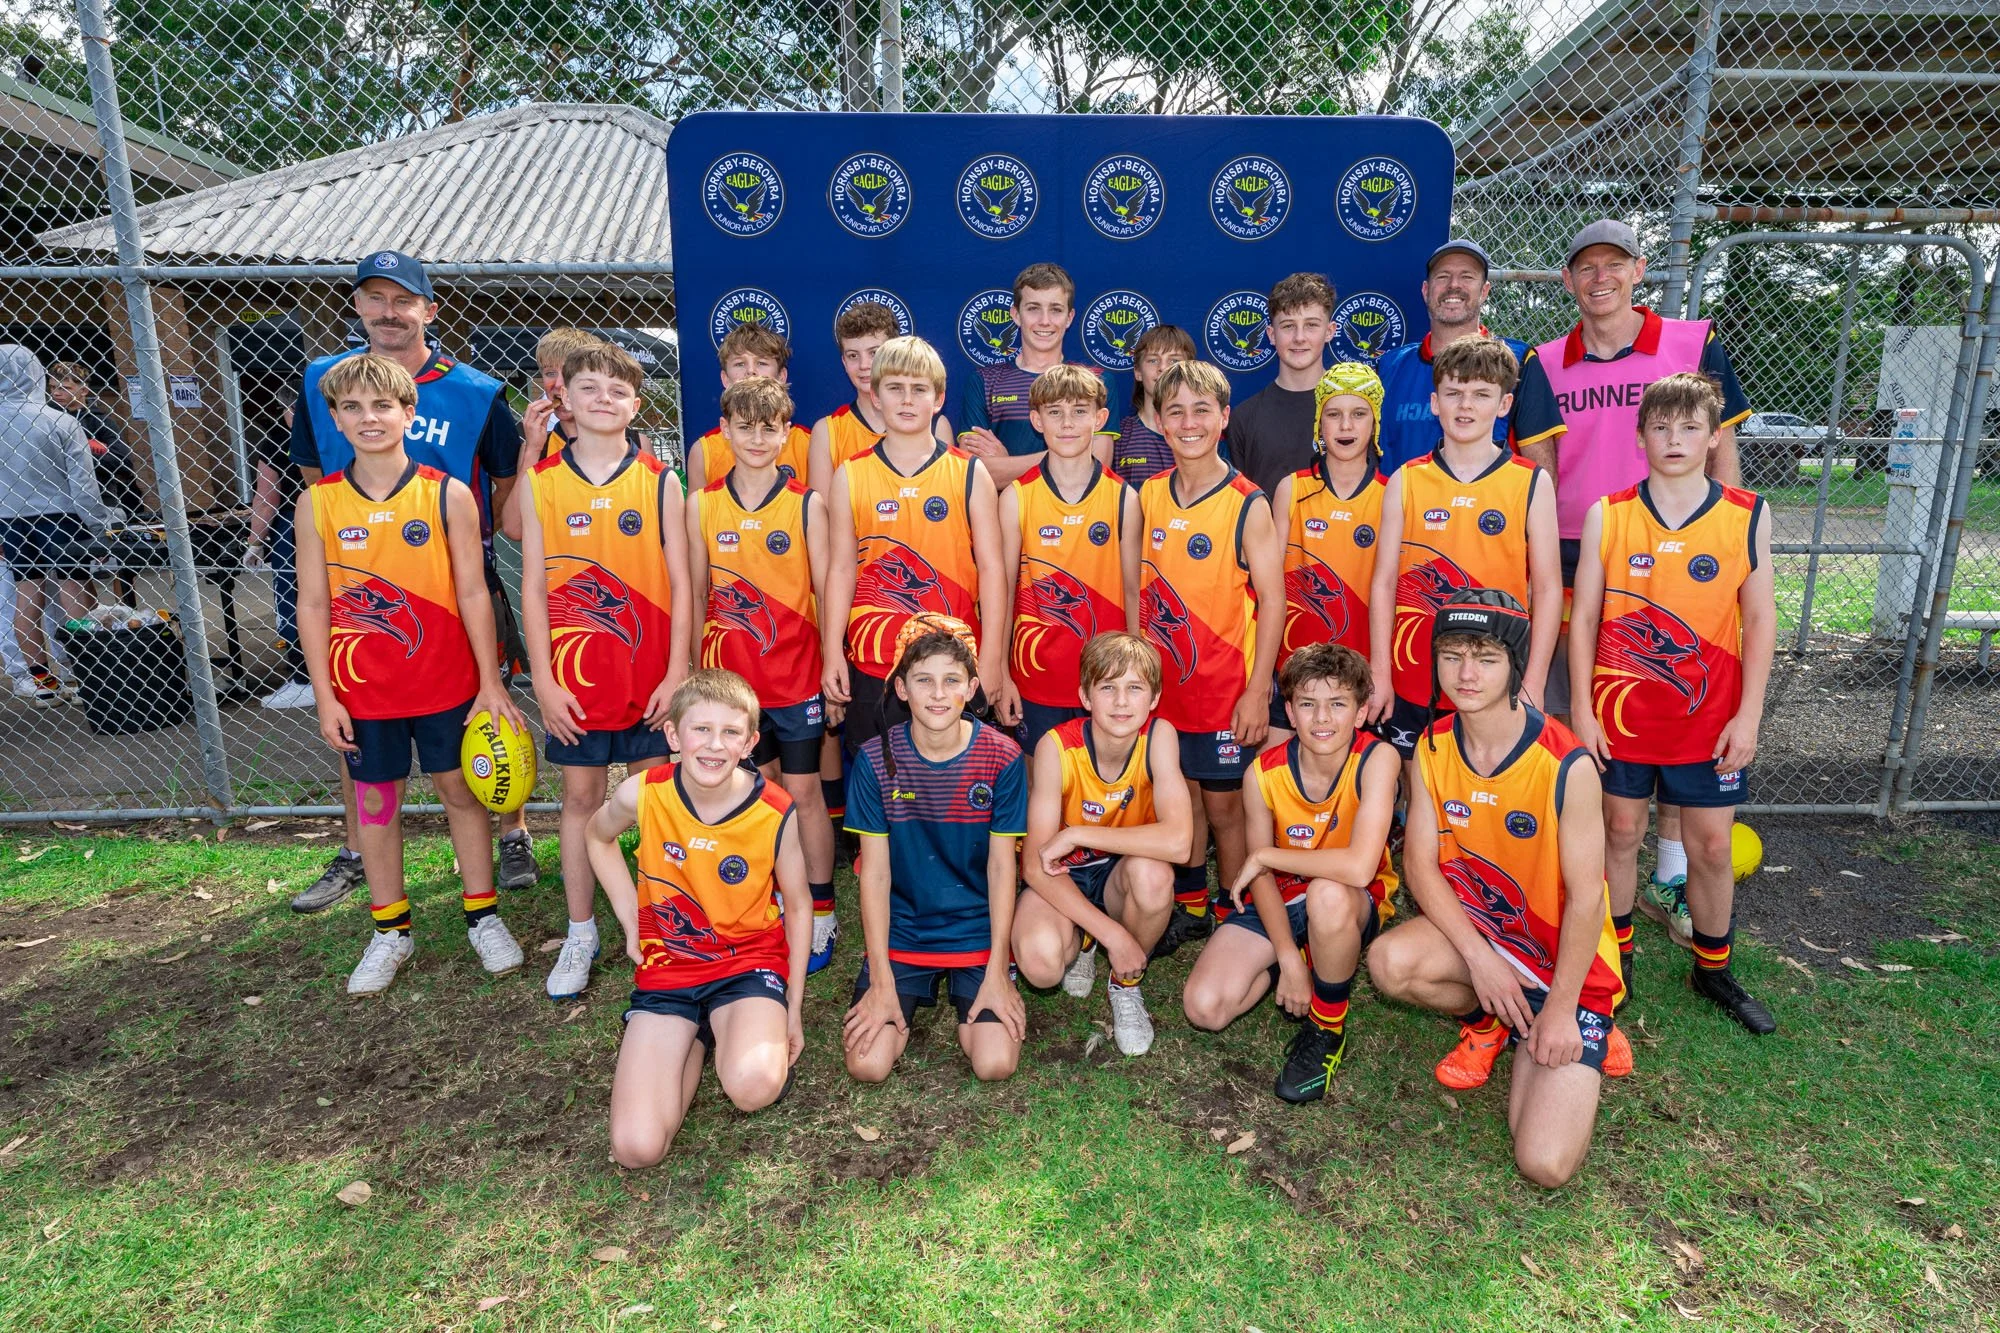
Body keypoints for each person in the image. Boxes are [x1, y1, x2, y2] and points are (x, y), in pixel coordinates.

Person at [1511, 219, 1753, 939]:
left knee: (1681, 699)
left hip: (1689, 550)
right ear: (1567, 280)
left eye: (1614, 263)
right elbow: (1541, 470)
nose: (1601, 278)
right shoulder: (1544, 361)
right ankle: (1584, 871)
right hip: (1583, 551)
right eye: (1586, 267)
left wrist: (1729, 542)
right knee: (1592, 711)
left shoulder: (1692, 343)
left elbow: (1725, 449)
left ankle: (1671, 873)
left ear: (1640, 270)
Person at [284, 251, 536, 912]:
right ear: (358, 307)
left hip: (456, 581)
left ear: (429, 309)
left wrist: (464, 532)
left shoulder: (476, 391)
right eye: (375, 299)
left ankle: (512, 832)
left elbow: (505, 479)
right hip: (363, 586)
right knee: (362, 738)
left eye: (403, 300)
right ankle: (356, 853)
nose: (388, 313)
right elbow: (314, 474)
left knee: (486, 719)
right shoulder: (322, 381)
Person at [1366, 590, 1630, 1187]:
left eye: (1485, 658)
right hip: (1487, 937)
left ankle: (1579, 1020)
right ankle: (1492, 1019)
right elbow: (1421, 866)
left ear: (1514, 664)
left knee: (1542, 1162)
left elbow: (1588, 900)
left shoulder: (1567, 763)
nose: (1466, 673)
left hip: (1567, 966)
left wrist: (1560, 1011)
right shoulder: (1431, 745)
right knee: (1389, 963)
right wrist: (1481, 960)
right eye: (1451, 655)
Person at [1569, 373, 1776, 1033]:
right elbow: (1585, 619)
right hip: (1622, 717)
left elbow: (1760, 619)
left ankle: (1713, 968)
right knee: (1620, 833)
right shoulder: (1610, 513)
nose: (1675, 439)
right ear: (1641, 437)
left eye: (1690, 427)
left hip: (1710, 719)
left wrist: (1749, 715)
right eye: (1661, 427)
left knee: (1711, 845)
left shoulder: (1746, 513)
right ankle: (1616, 957)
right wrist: (1582, 709)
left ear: (1713, 436)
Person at [520, 341, 690, 1002]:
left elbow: (683, 584)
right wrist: (543, 680)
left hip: (648, 676)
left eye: (617, 391)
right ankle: (581, 929)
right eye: (588, 387)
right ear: (563, 395)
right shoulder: (542, 482)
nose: (603, 399)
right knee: (582, 800)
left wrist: (675, 673)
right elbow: (534, 588)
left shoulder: (660, 480)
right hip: (575, 681)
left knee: (653, 800)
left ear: (636, 405)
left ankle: (661, 921)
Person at [587, 668, 808, 1169]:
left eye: (730, 732)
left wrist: (793, 1007)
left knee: (753, 1086)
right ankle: (698, 1034)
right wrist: (630, 918)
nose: (714, 745)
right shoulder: (643, 793)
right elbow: (596, 837)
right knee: (637, 1149)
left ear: (750, 743)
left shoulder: (774, 809)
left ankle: (726, 1030)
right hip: (671, 966)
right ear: (673, 735)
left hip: (746, 963)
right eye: (701, 729)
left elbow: (797, 905)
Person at [1184, 643, 1398, 1101]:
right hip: (1278, 896)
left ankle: (1327, 1026)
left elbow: (1359, 867)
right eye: (1307, 704)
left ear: (1361, 712)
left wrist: (1267, 856)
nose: (1322, 718)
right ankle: (1301, 957)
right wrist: (1287, 959)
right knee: (1204, 1007)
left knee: (1327, 895)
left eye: (1337, 704)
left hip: (1347, 897)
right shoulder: (1263, 773)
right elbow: (1259, 876)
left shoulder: (1378, 759)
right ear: (1290, 711)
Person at [688, 375, 839, 974]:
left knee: (804, 793)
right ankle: (761, 902)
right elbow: (696, 594)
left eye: (768, 428)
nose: (756, 438)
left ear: (785, 434)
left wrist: (832, 662)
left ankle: (821, 910)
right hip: (731, 686)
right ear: (724, 431)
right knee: (753, 790)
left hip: (795, 678)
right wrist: (696, 676)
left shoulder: (806, 503)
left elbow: (827, 590)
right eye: (744, 427)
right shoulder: (702, 504)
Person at [1137, 360, 1284, 956]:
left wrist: (1258, 690)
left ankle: (1235, 905)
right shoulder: (1149, 494)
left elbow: (1274, 603)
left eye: (1202, 410)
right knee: (1183, 796)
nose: (1189, 422)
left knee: (1225, 806)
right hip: (1166, 689)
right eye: (1175, 411)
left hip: (1226, 690)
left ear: (1224, 417)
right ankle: (1193, 903)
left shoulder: (1248, 503)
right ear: (1159, 422)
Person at [843, 620, 1028, 1084]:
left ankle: (976, 988)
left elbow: (1002, 867)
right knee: (868, 1065)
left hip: (976, 929)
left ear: (972, 687)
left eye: (952, 680)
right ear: (901, 689)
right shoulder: (874, 759)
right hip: (905, 929)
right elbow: (876, 874)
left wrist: (997, 969)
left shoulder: (1002, 756)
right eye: (924, 680)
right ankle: (898, 989)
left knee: (995, 1063)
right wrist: (880, 977)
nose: (939, 693)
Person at [1366, 337, 1560, 769]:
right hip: (1416, 672)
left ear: (1505, 404)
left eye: (1481, 394)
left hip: (1497, 673)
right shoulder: (1405, 480)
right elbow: (1383, 583)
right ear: (1435, 402)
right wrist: (1381, 671)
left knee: (1490, 780)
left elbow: (1548, 589)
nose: (1465, 405)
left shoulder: (1530, 481)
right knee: (1417, 783)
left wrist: (1534, 680)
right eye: (1454, 393)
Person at [821, 335, 1007, 758]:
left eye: (919, 389)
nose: (907, 400)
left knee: (953, 783)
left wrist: (992, 657)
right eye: (895, 388)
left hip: (953, 662)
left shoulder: (969, 472)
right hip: (875, 662)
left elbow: (993, 570)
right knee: (879, 781)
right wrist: (832, 652)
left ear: (938, 399)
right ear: (875, 395)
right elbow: (841, 570)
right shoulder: (850, 475)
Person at [1013, 632, 1190, 1056]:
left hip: (1121, 874)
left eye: (1135, 688)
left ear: (1154, 698)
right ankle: (1087, 941)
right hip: (1064, 874)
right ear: (1085, 696)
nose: (1121, 702)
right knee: (1040, 965)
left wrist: (1078, 833)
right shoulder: (1056, 746)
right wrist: (1112, 934)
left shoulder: (1159, 736)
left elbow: (1181, 843)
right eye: (1108, 687)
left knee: (1154, 876)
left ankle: (1125, 984)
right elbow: (1035, 864)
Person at [996, 363, 1141, 756]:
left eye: (1079, 411)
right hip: (1036, 675)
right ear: (1036, 420)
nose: (1067, 423)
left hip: (1108, 675)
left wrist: (1137, 672)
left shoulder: (1124, 498)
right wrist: (1002, 673)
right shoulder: (1016, 497)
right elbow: (1003, 593)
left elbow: (1133, 594)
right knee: (1038, 776)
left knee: (1108, 777)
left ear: (1100, 418)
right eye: (1055, 412)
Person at [1268, 362, 1386, 742]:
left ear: (1375, 421)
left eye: (1359, 414)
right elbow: (1269, 589)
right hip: (1293, 672)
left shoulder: (1392, 494)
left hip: (1361, 676)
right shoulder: (1292, 489)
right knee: (1273, 765)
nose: (1346, 426)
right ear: (1319, 423)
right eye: (1334, 414)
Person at [1373, 242, 1555, 477]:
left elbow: (1541, 470)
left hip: (1491, 502)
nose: (1454, 285)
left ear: (1484, 291)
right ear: (1426, 290)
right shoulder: (1389, 366)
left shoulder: (1517, 361)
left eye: (1467, 277)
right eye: (1443, 276)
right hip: (1400, 501)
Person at [0, 345, 109, 704]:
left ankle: (43, 682)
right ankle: (86, 676)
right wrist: (97, 526)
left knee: (27, 594)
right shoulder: (60, 421)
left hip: (11, 518)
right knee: (75, 591)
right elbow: (83, 483)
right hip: (61, 515)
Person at [955, 262, 1108, 488]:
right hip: (1005, 511)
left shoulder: (1096, 380)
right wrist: (1069, 454)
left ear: (1069, 317)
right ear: (1016, 314)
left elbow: (1096, 467)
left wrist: (1007, 463)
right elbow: (974, 473)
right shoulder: (983, 381)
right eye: (1033, 308)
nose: (1044, 320)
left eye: (1055, 310)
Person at [808, 301, 953, 497]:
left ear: (893, 355)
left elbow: (945, 502)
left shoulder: (935, 425)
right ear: (843, 361)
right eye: (853, 355)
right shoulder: (828, 431)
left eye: (874, 353)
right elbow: (823, 511)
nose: (864, 365)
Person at [1222, 273, 1337, 496]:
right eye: (1288, 326)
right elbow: (1238, 503)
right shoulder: (1244, 418)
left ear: (1329, 331)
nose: (1299, 337)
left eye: (1311, 325)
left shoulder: (1354, 411)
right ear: (1272, 335)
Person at [684, 324, 812, 491]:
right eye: (740, 364)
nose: (751, 371)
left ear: (781, 376)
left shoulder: (808, 444)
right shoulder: (704, 451)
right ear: (725, 379)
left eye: (762, 362)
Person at [46, 361, 142, 520]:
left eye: (65, 388)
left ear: (83, 390)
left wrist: (80, 453)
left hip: (102, 498)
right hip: (57, 502)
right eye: (52, 387)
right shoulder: (46, 419)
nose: (56, 393)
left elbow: (123, 462)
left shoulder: (100, 421)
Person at [1109, 324, 1194, 485]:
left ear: (1190, 371)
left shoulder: (1201, 434)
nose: (1163, 368)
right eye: (1153, 360)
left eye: (1174, 360)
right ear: (1138, 372)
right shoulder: (1119, 437)